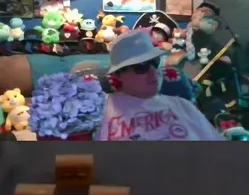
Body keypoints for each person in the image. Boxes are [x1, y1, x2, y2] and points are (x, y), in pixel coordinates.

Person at [95, 31, 224, 141]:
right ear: (118, 74)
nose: (154, 72)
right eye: (141, 67)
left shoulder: (182, 105)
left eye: (155, 63)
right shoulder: (98, 111)